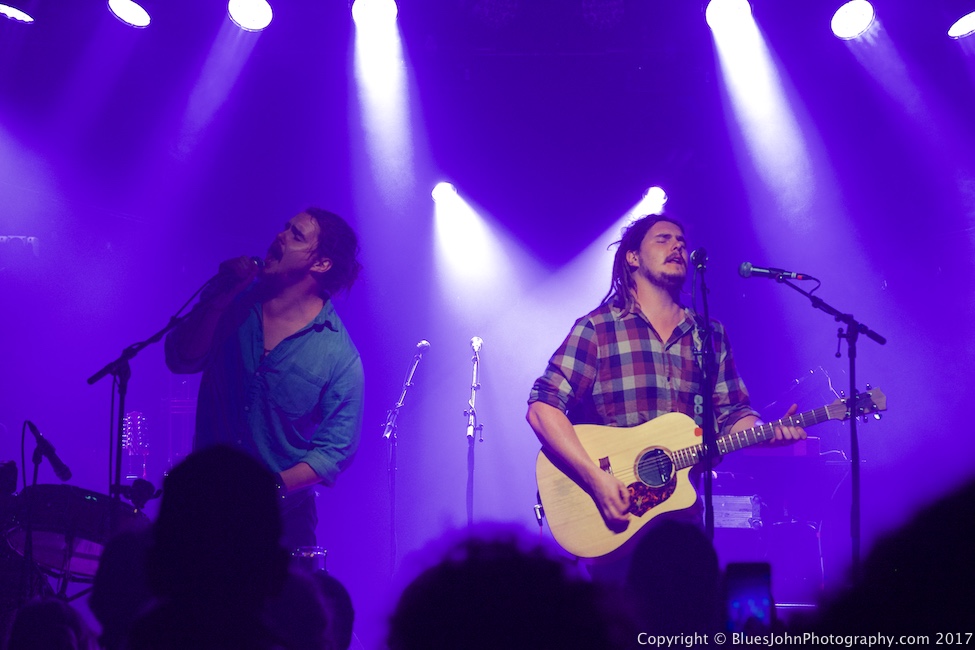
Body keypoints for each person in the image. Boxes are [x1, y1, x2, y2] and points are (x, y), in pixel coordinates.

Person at [526, 215, 805, 576]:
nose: (677, 246)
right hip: (615, 522)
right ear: (632, 258)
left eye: (681, 242)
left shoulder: (709, 335)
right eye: (663, 239)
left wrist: (767, 432)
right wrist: (597, 480)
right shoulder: (598, 328)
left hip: (683, 524)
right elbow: (542, 408)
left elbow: (734, 415)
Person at [165, 207, 365, 551]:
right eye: (284, 227)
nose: (280, 236)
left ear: (321, 264)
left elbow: (336, 450)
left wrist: (264, 487)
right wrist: (219, 298)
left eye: (296, 235)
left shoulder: (339, 355)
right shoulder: (234, 304)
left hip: (279, 522)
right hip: (204, 502)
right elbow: (182, 358)